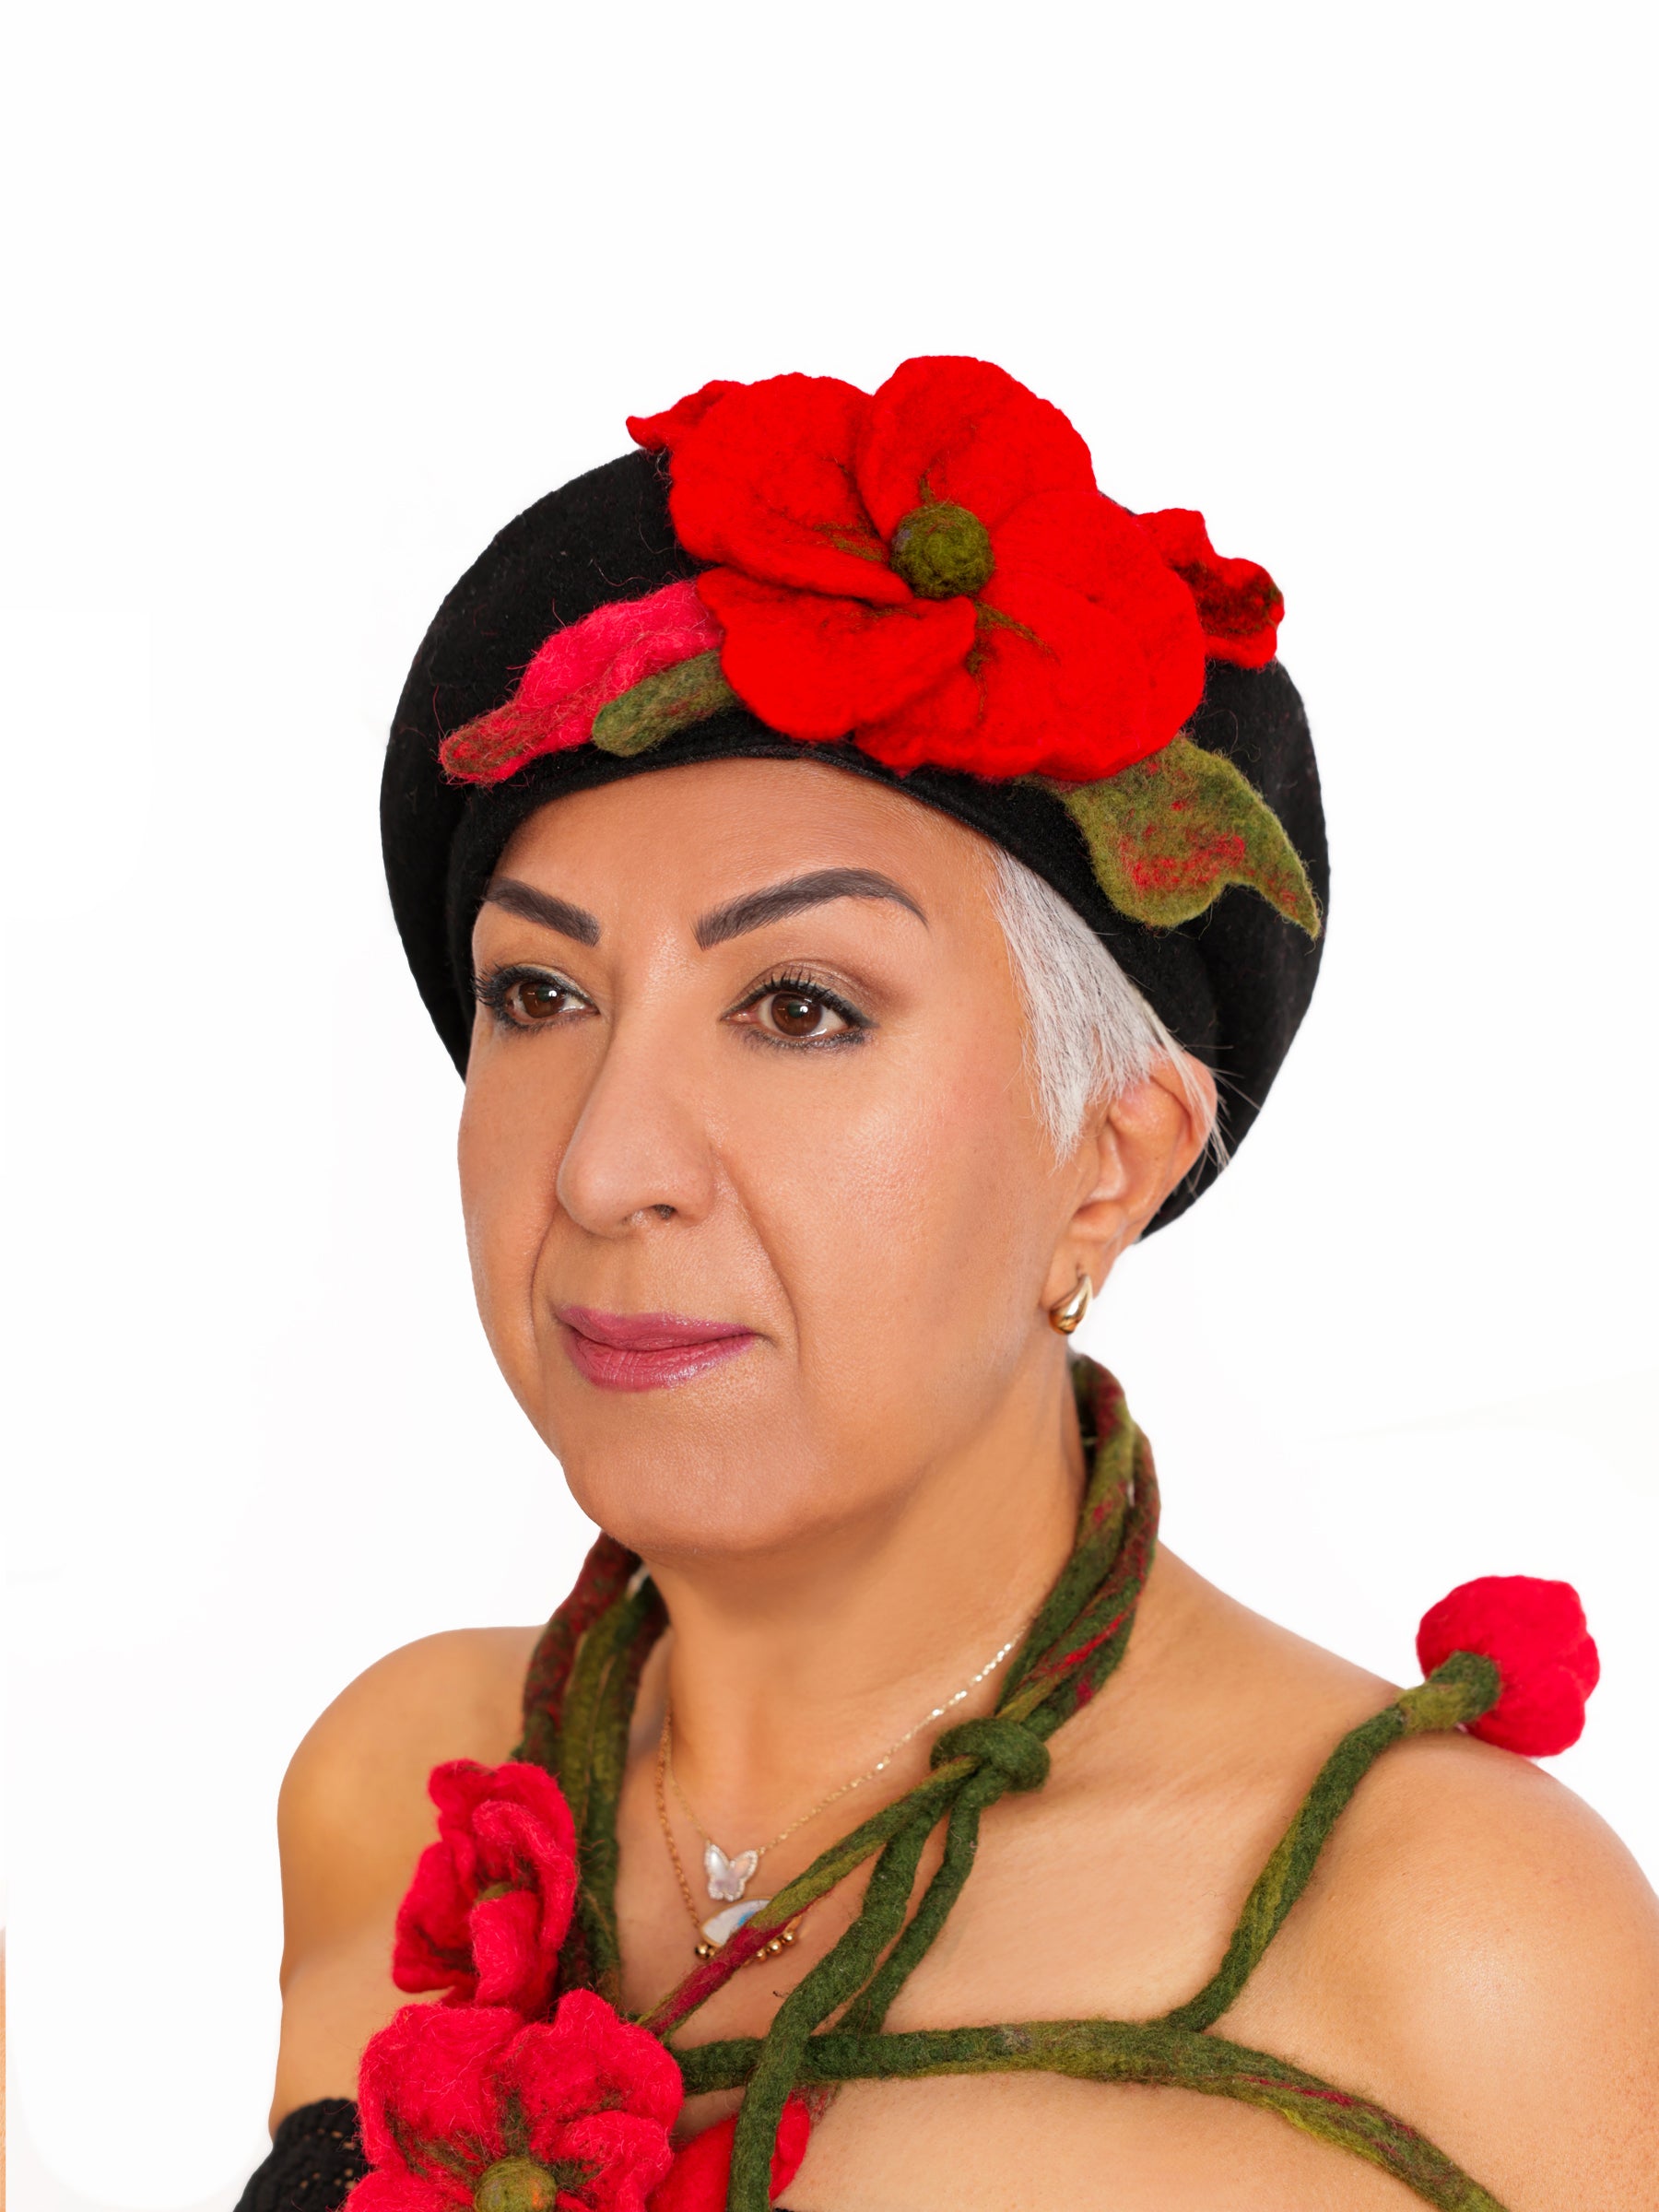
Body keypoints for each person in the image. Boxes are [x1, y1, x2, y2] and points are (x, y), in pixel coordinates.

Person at [241, 359, 1658, 2212]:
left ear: (1113, 1155)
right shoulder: (412, 1788)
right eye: (541, 995)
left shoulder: (1444, 1940)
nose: (600, 1166)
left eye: (801, 1010)